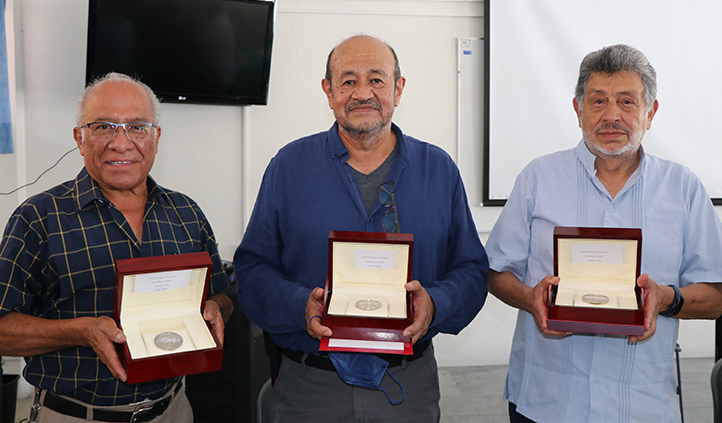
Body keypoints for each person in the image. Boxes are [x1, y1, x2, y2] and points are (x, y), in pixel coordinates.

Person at [233, 34, 488, 421]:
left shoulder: (440, 170)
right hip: (309, 387)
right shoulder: (288, 167)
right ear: (329, 90)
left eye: (377, 80)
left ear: (398, 89)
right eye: (348, 80)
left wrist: (435, 303)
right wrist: (299, 304)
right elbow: (252, 270)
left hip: (407, 389)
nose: (362, 93)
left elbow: (471, 270)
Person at [486, 44, 722, 423]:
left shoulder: (683, 188)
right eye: (598, 101)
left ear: (651, 112)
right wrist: (532, 299)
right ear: (578, 110)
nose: (611, 115)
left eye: (627, 102)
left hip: (641, 404)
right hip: (546, 401)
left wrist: (666, 299)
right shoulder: (537, 179)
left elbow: (716, 296)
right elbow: (495, 272)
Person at [0, 73, 233, 423]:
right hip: (75, 416)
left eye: (137, 127)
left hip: (174, 410)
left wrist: (217, 307)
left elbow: (223, 296)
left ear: (156, 138)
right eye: (104, 127)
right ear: (80, 138)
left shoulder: (186, 213)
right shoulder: (38, 218)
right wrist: (81, 331)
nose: (121, 143)